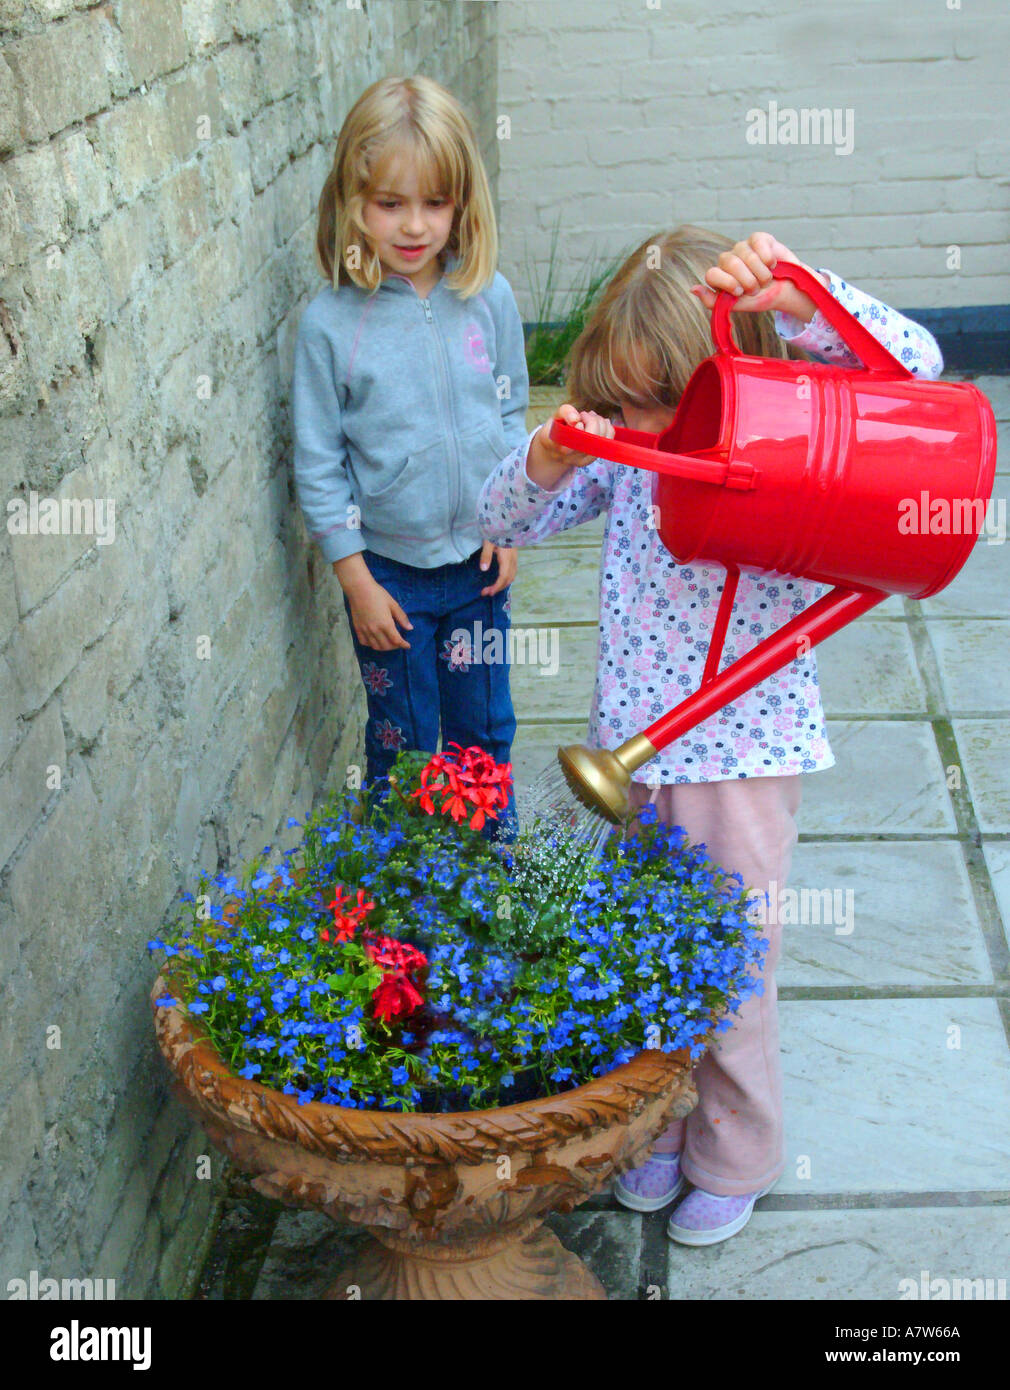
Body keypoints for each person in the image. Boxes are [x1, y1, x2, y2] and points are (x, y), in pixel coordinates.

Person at [478, 227, 942, 1242]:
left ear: (722, 379)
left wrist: (804, 299)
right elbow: (503, 520)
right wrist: (551, 454)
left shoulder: (784, 444)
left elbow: (918, 373)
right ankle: (656, 1129)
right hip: (633, 753)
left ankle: (737, 1151)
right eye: (620, 402)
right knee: (648, 951)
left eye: (657, 400)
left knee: (730, 965)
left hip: (741, 755)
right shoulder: (631, 456)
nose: (638, 424)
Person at [292, 75, 527, 835]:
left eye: (435, 202)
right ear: (352, 200)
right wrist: (353, 577)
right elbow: (319, 461)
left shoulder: (487, 298)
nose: (414, 225)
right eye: (390, 203)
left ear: (462, 202)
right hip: (388, 578)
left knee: (484, 734)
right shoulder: (331, 325)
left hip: (477, 571)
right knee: (404, 748)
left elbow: (512, 409)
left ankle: (496, 890)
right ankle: (404, 906)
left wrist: (509, 523)